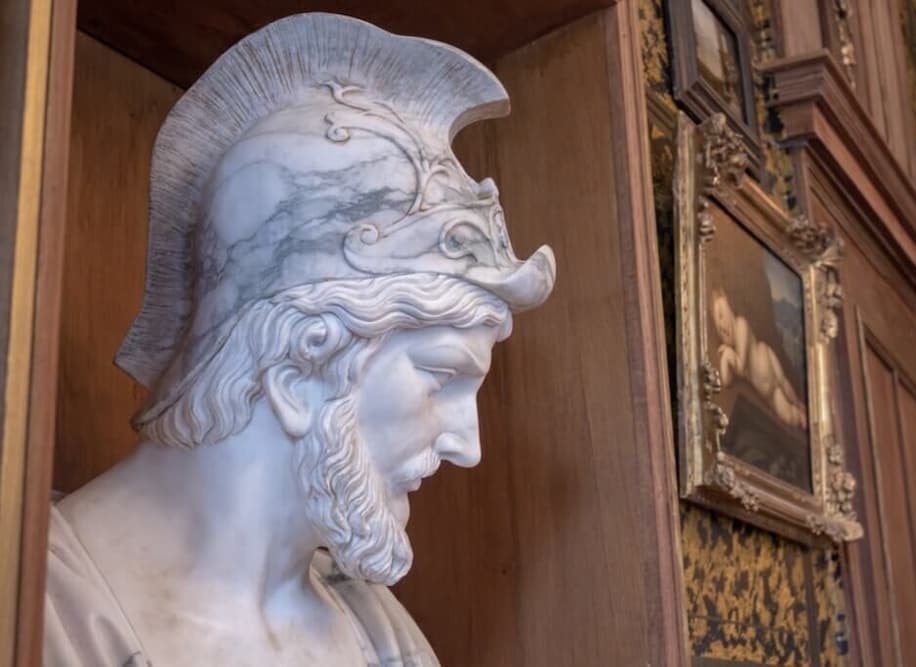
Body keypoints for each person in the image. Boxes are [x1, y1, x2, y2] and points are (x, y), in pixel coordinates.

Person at [44, 13, 555, 666]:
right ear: (299, 372)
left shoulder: (382, 635)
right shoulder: (45, 611)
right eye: (440, 376)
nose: (469, 446)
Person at [711, 287, 807, 430]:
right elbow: (726, 381)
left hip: (766, 358)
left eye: (721, 315)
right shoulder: (731, 346)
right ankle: (803, 417)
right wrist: (726, 357)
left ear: (729, 310)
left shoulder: (741, 324)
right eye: (718, 325)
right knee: (790, 417)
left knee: (784, 383)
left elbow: (741, 366)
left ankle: (801, 406)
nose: (721, 325)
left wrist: (729, 354)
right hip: (768, 390)